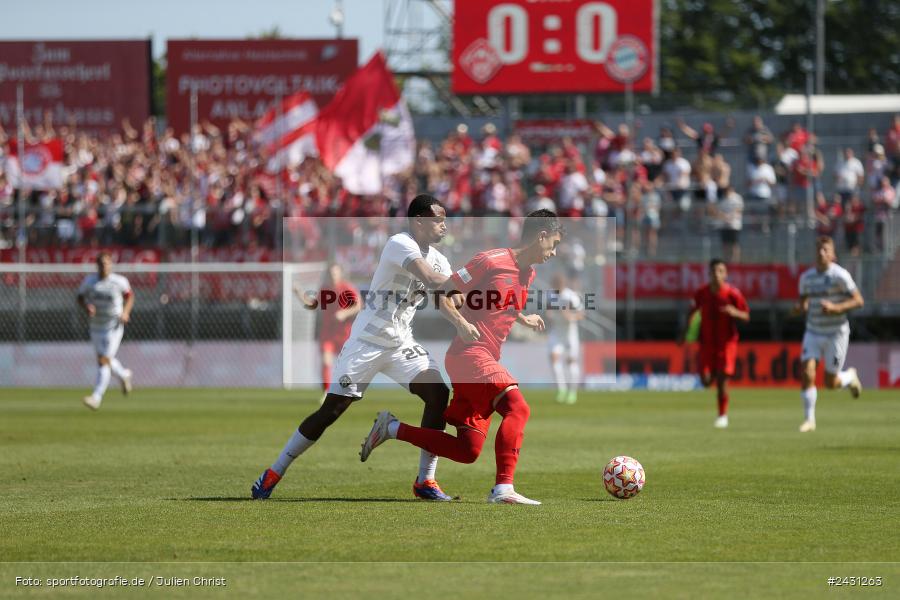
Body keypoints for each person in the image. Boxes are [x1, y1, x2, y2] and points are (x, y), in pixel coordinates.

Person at [251, 195, 456, 501]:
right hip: (367, 344)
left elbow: (445, 298)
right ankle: (274, 471)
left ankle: (425, 481)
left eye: (444, 219)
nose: (443, 225)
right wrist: (468, 279)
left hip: (401, 343)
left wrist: (465, 315)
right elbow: (429, 278)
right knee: (331, 410)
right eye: (437, 219)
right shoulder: (399, 243)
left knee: (439, 393)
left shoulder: (441, 259)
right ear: (418, 221)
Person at [359, 210, 564, 505]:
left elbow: (497, 301)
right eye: (553, 243)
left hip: (484, 357)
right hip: (468, 354)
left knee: (468, 451)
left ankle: (391, 428)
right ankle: (503, 489)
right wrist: (461, 324)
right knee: (518, 408)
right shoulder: (490, 260)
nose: (554, 252)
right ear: (541, 235)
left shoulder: (527, 273)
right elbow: (442, 294)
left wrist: (522, 318)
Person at [794, 236, 864, 433]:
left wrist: (836, 307)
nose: (821, 253)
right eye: (819, 249)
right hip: (813, 331)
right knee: (807, 372)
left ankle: (850, 377)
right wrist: (799, 308)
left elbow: (859, 300)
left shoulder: (840, 276)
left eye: (825, 250)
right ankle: (809, 420)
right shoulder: (806, 278)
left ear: (832, 254)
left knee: (830, 383)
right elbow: (803, 302)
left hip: (836, 333)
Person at [681, 260, 749, 429]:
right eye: (714, 271)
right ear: (709, 274)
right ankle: (713, 385)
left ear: (725, 274)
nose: (717, 274)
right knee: (705, 381)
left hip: (727, 343)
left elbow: (747, 316)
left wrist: (735, 312)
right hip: (706, 343)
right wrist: (684, 334)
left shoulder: (733, 294)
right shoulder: (702, 293)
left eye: (720, 271)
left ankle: (722, 415)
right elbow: (692, 312)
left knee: (722, 380)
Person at [76, 251, 134, 410]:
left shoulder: (119, 281)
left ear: (111, 265)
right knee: (104, 360)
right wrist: (86, 306)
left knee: (103, 361)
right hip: (96, 326)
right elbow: (80, 297)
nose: (104, 267)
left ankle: (96, 397)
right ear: (97, 265)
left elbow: (130, 296)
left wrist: (126, 312)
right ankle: (123, 375)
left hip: (113, 326)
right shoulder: (90, 281)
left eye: (107, 263)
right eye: (101, 264)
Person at [295, 263, 361, 401]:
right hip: (328, 333)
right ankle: (327, 392)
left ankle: (348, 390)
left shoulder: (347, 287)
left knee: (347, 365)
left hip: (344, 333)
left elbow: (358, 305)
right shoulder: (324, 290)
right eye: (331, 273)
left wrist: (344, 313)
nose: (333, 275)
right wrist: (299, 294)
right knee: (326, 361)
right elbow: (313, 305)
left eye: (335, 273)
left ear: (340, 273)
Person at [546, 272, 584, 404]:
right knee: (554, 358)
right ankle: (561, 389)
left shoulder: (571, 296)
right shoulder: (550, 294)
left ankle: (572, 392)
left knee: (571, 362)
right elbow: (548, 309)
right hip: (556, 332)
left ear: (563, 284)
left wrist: (570, 317)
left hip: (569, 333)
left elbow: (581, 313)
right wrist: (549, 314)